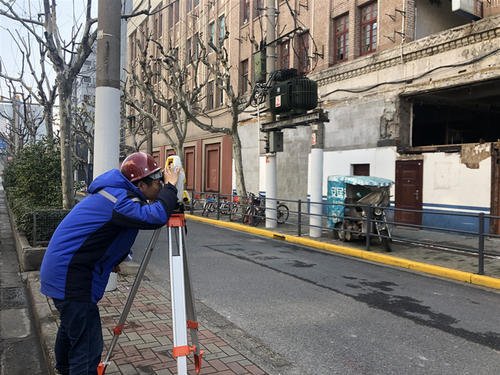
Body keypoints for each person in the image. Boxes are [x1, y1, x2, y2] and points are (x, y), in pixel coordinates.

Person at [40, 152, 179, 375]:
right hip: (71, 277)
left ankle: (63, 370)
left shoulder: (116, 194)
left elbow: (106, 236)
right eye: (158, 182)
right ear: (141, 185)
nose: (161, 186)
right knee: (87, 348)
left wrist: (115, 259)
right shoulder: (119, 200)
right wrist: (171, 188)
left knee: (71, 329)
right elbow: (155, 216)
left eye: (163, 181)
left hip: (63, 273)